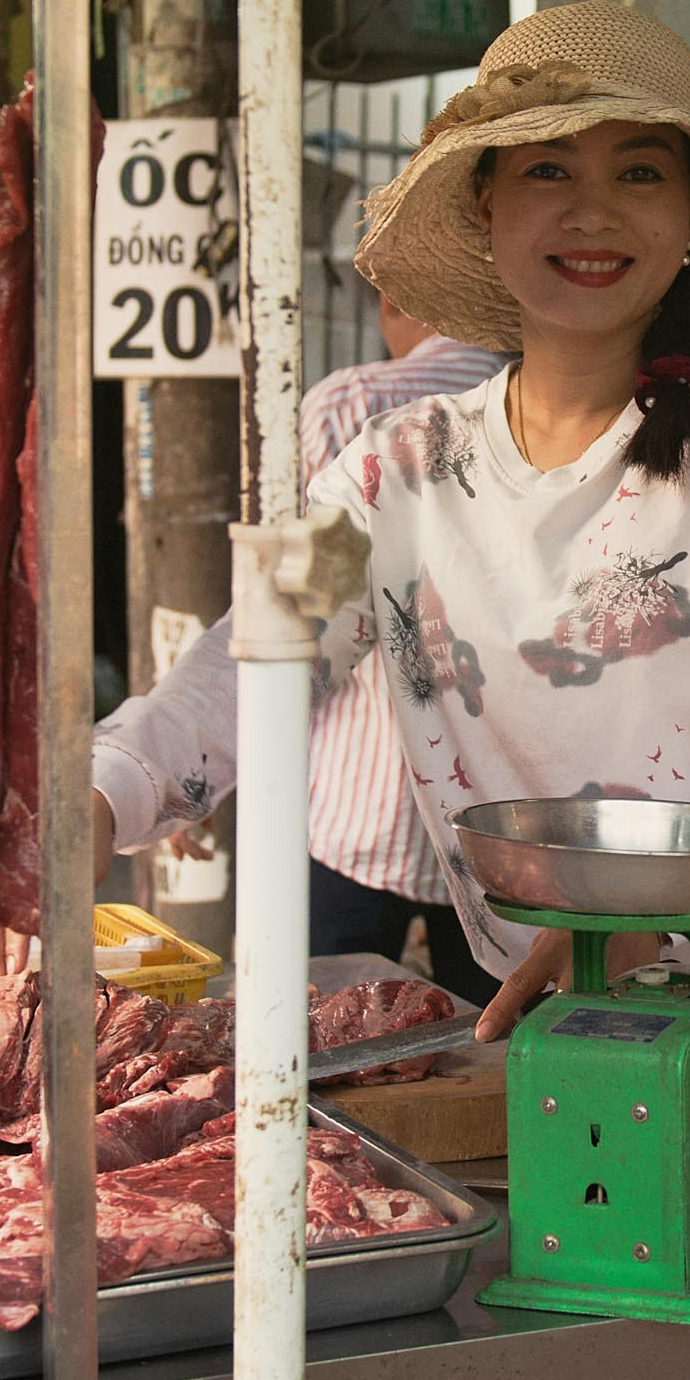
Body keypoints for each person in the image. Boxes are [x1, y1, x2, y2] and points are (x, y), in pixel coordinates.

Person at [88, 2, 690, 1380]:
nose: (589, 212)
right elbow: (245, 666)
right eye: (541, 172)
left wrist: (632, 919)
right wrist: (97, 791)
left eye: (634, 172)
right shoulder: (393, 477)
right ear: (481, 215)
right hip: (555, 1044)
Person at [301, 295, 506, 1005]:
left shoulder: (352, 401)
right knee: (486, 1078)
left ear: (390, 300)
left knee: (323, 1058)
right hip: (497, 828)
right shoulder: (552, 415)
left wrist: (211, 760)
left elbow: (302, 613)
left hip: (359, 815)